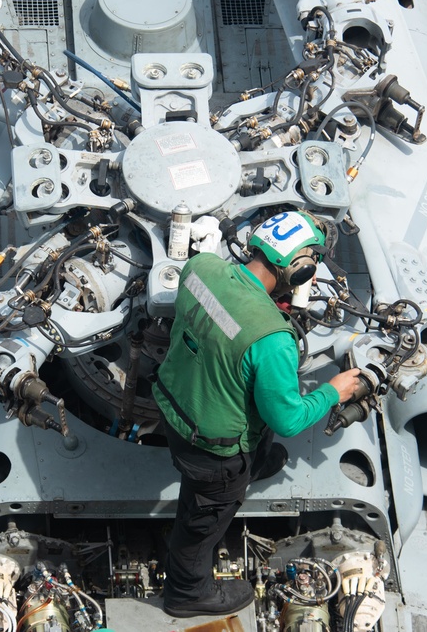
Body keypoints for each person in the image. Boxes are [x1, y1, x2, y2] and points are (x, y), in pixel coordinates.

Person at [155, 211, 364, 618]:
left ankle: (255, 462)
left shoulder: (201, 267)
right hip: (213, 453)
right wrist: (332, 392)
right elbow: (288, 419)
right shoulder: (272, 339)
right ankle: (187, 592)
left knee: (256, 414)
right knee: (200, 525)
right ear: (300, 270)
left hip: (174, 405)